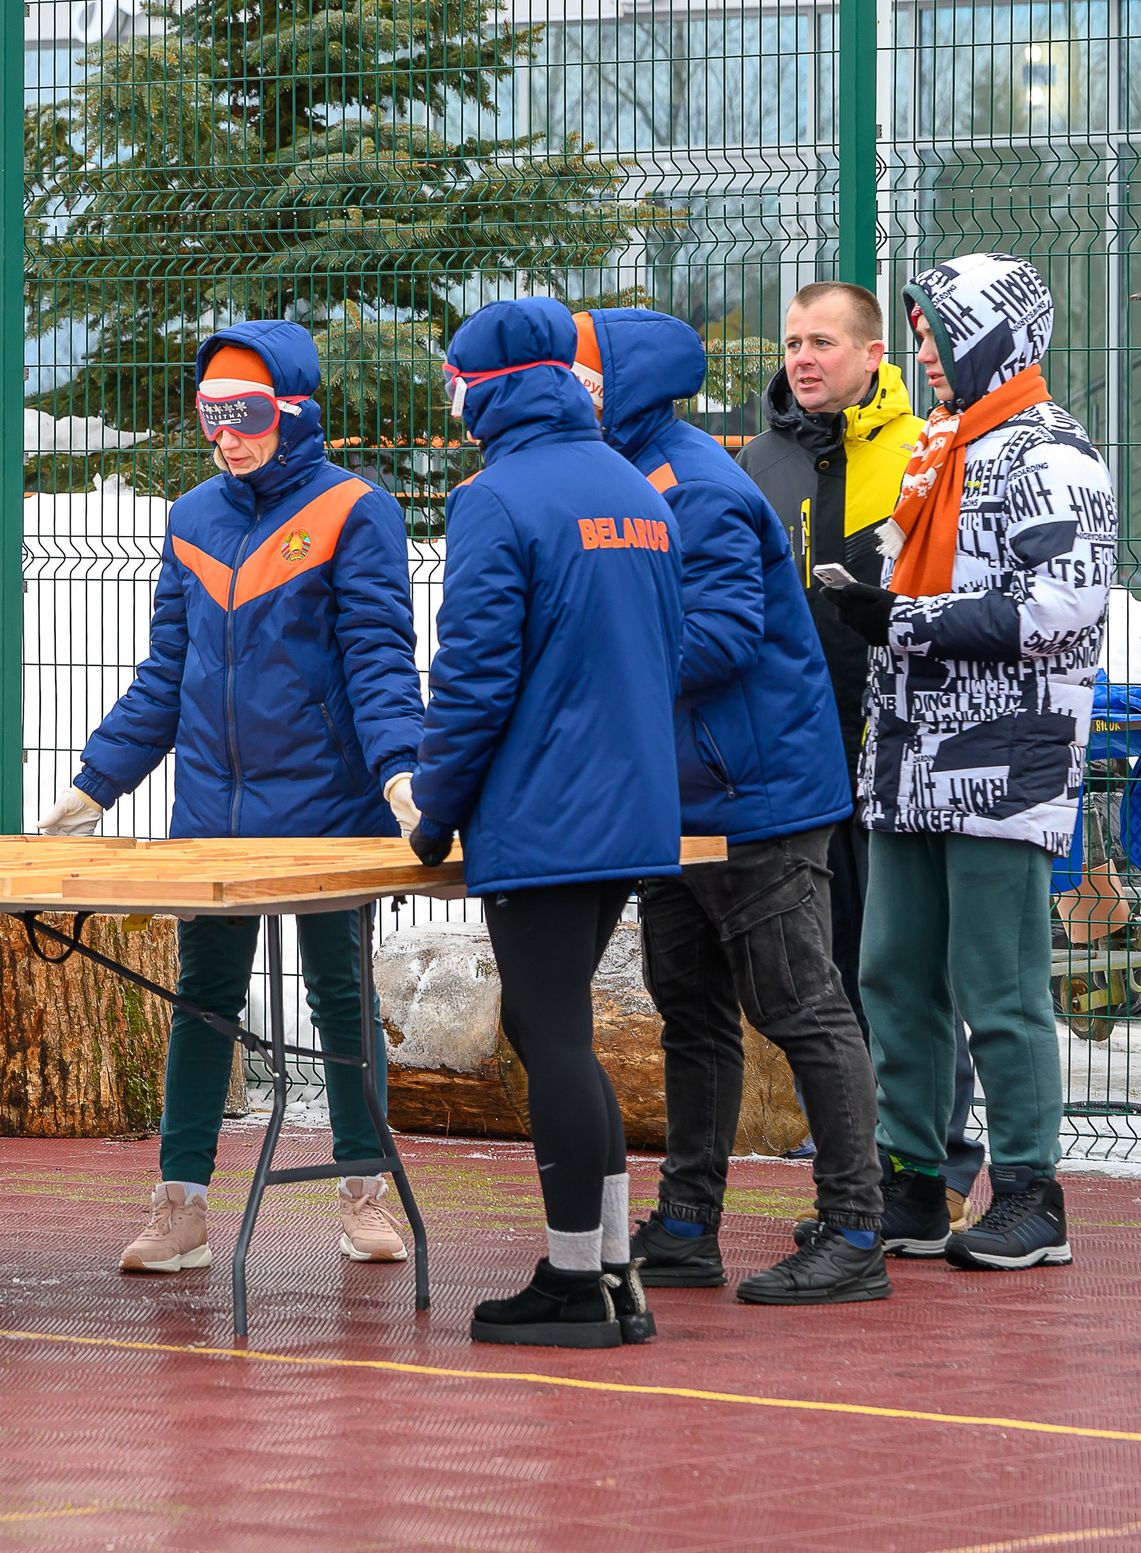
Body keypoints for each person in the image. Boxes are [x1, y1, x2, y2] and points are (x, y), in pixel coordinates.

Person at [40, 320, 423, 1274]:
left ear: (292, 412)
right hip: (211, 815)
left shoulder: (354, 510)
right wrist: (97, 783)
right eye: (211, 414)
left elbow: (377, 658)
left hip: (329, 813)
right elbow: (167, 676)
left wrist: (403, 773)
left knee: (340, 995)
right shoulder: (192, 518)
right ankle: (180, 1204)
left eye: (245, 413)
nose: (226, 434)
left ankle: (365, 1191)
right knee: (203, 998)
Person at [574, 308, 887, 1307]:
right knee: (691, 1015)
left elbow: (720, 641)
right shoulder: (630, 478)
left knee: (801, 1006)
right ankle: (685, 1226)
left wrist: (585, 678)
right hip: (678, 798)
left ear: (622, 387)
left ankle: (853, 1231)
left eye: (583, 380)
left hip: (755, 796)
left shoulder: (694, 488)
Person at [821, 253, 1115, 1272]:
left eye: (937, 331)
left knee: (998, 984)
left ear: (991, 336)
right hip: (908, 757)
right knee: (891, 973)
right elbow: (906, 570)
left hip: (1007, 758)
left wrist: (901, 616)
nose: (923, 353)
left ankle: (1032, 1196)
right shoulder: (940, 450)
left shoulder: (1054, 452)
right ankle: (912, 1184)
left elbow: (1061, 604)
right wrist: (856, 583)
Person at [405, 297, 684, 1349]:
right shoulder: (628, 484)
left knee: (550, 1029)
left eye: (454, 381)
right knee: (552, 1024)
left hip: (543, 806)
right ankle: (609, 1269)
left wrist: (435, 808)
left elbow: (474, 674)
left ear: (484, 387)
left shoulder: (495, 498)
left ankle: (576, 1281)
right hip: (627, 802)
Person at [738, 282, 923, 1030]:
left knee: (905, 956)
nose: (803, 360)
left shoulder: (925, 450)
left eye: (823, 343)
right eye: (793, 344)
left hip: (903, 743)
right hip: (797, 749)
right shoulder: (756, 461)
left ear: (874, 352)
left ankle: (923, 1134)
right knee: (820, 953)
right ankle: (846, 1132)